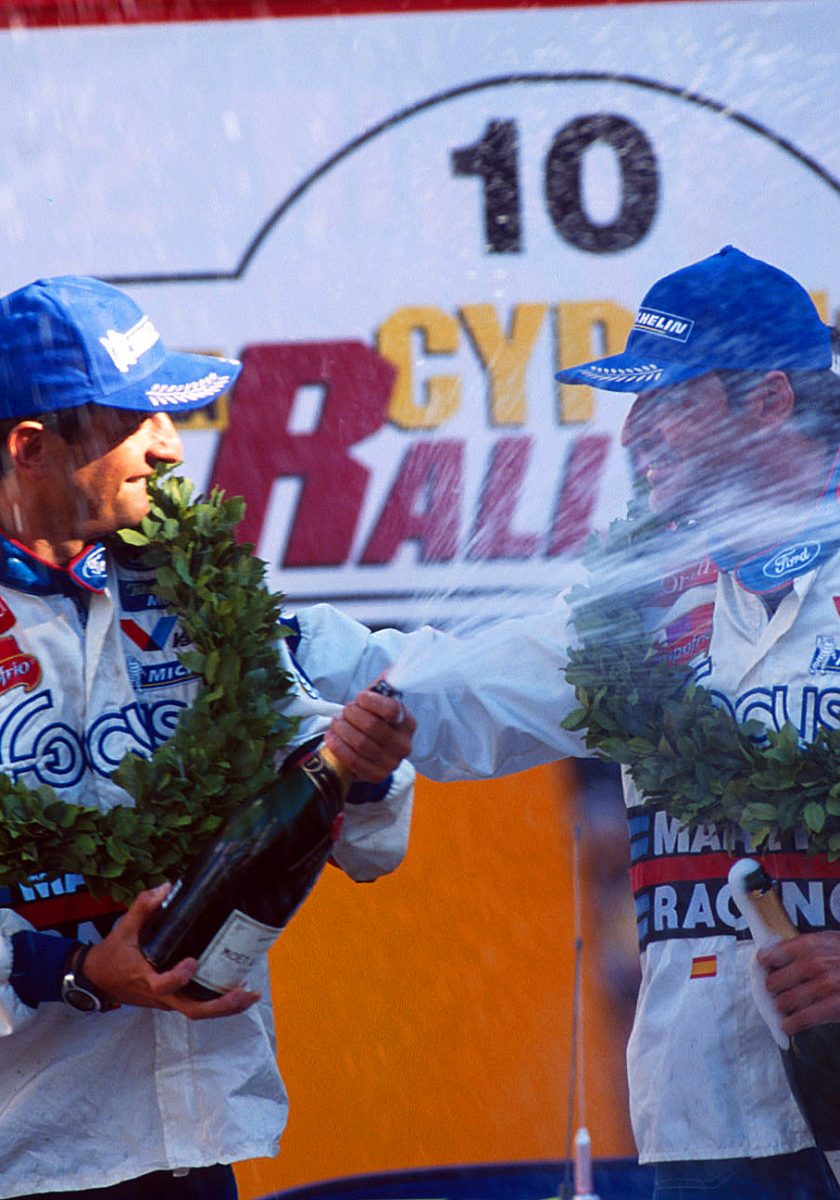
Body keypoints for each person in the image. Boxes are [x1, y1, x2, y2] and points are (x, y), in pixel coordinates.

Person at [296, 246, 840, 1199]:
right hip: (702, 1120)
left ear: (769, 402)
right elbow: (448, 695)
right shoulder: (642, 606)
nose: (636, 431)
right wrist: (249, 630)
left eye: (670, 399)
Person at [0, 276, 416, 1200]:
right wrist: (71, 970)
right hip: (26, 1148)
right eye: (133, 419)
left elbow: (364, 842)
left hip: (190, 1139)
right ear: (31, 448)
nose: (170, 445)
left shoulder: (199, 588)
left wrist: (366, 769)